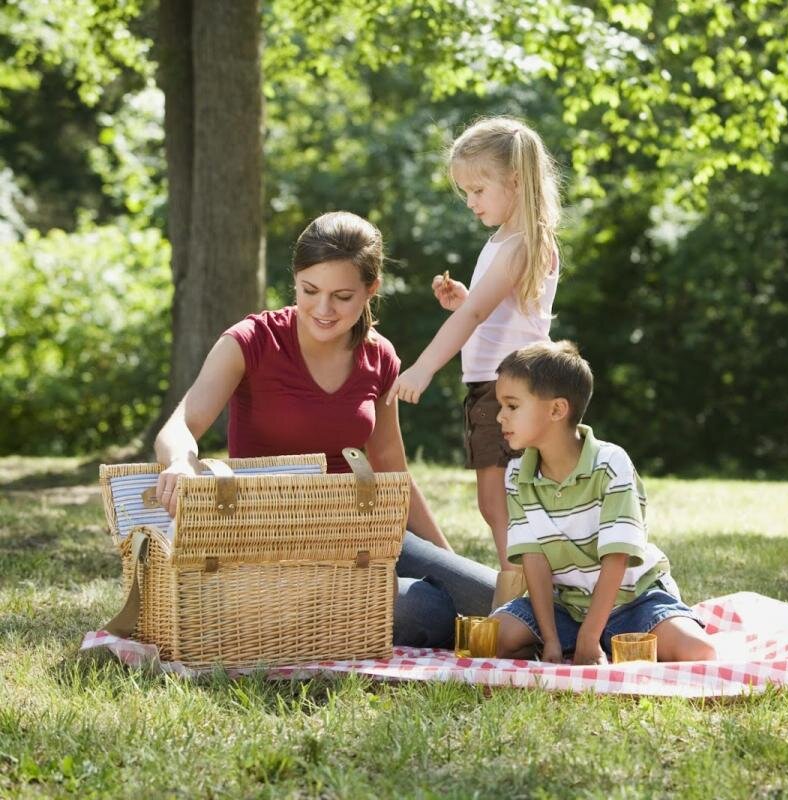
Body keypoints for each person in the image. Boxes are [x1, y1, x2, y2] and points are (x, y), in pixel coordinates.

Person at [153, 211, 496, 648]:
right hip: (276, 540)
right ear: (295, 279)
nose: (322, 309)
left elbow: (392, 468)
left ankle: (599, 634)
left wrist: (445, 564)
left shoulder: (380, 357)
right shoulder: (251, 341)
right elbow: (180, 425)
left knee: (493, 596)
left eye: (342, 296)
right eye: (309, 291)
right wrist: (182, 462)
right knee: (422, 610)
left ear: (371, 290)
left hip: (361, 529)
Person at [385, 116, 560, 599]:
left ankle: (519, 598)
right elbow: (498, 312)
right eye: (465, 191)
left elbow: (480, 314)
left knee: (501, 500)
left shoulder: (519, 243)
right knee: (505, 498)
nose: (471, 202)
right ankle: (524, 592)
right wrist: (466, 299)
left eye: (478, 189)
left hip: (507, 390)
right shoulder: (511, 240)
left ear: (516, 181)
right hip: (511, 386)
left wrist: (422, 367)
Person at [489, 341, 717, 665]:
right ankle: (595, 645)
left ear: (556, 410)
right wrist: (551, 639)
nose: (500, 417)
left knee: (699, 652)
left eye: (512, 406)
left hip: (634, 601)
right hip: (565, 607)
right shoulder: (516, 475)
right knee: (494, 636)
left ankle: (601, 642)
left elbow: (617, 556)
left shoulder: (610, 464)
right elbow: (534, 561)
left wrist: (589, 636)